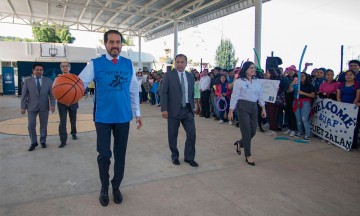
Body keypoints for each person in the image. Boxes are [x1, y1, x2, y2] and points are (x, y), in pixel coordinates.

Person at [78, 29, 143, 207]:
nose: (115, 45)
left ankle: (116, 186)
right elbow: (80, 83)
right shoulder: (95, 64)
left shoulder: (128, 64)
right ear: (105, 44)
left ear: (121, 45)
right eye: (111, 42)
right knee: (104, 155)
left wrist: (137, 113)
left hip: (123, 117)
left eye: (118, 42)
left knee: (120, 155)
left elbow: (133, 91)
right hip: (103, 118)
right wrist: (69, 90)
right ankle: (104, 187)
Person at [161, 54, 198, 167]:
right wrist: (164, 109)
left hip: (187, 110)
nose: (180, 64)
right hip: (173, 111)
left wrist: (193, 105)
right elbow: (163, 92)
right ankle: (175, 156)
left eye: (182, 62)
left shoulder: (190, 76)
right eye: (178, 62)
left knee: (192, 134)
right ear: (175, 63)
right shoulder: (169, 75)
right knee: (172, 135)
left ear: (186, 63)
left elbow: (190, 92)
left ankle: (189, 157)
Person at [228, 61, 266, 166]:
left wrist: (263, 109)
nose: (253, 70)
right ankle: (248, 155)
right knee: (246, 132)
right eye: (251, 68)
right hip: (242, 107)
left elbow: (260, 95)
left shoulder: (257, 81)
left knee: (253, 131)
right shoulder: (239, 81)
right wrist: (231, 110)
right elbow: (234, 96)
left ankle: (240, 143)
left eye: (254, 68)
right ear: (245, 70)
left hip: (254, 107)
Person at [20, 63, 55, 151]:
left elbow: (51, 94)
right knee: (31, 125)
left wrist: (52, 105)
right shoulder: (27, 81)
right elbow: (24, 95)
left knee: (43, 125)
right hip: (31, 106)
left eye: (41, 70)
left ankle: (43, 141)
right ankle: (33, 142)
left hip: (44, 106)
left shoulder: (48, 81)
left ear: (43, 71)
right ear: (33, 71)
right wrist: (23, 107)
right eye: (37, 70)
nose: (39, 71)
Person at [57, 61, 79, 148]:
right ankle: (63, 140)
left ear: (69, 68)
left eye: (66, 66)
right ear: (61, 68)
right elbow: (55, 90)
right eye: (63, 66)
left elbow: (79, 89)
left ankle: (73, 133)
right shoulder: (58, 79)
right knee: (62, 122)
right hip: (62, 102)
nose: (65, 67)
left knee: (73, 120)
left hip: (73, 101)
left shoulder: (74, 78)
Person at [288, 72, 315, 140]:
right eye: (300, 76)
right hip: (296, 102)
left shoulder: (309, 85)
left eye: (303, 76)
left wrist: (302, 93)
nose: (301, 77)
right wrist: (292, 83)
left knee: (304, 119)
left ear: (306, 76)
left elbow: (312, 95)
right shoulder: (296, 84)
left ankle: (307, 134)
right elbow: (290, 90)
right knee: (298, 119)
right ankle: (300, 132)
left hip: (305, 103)